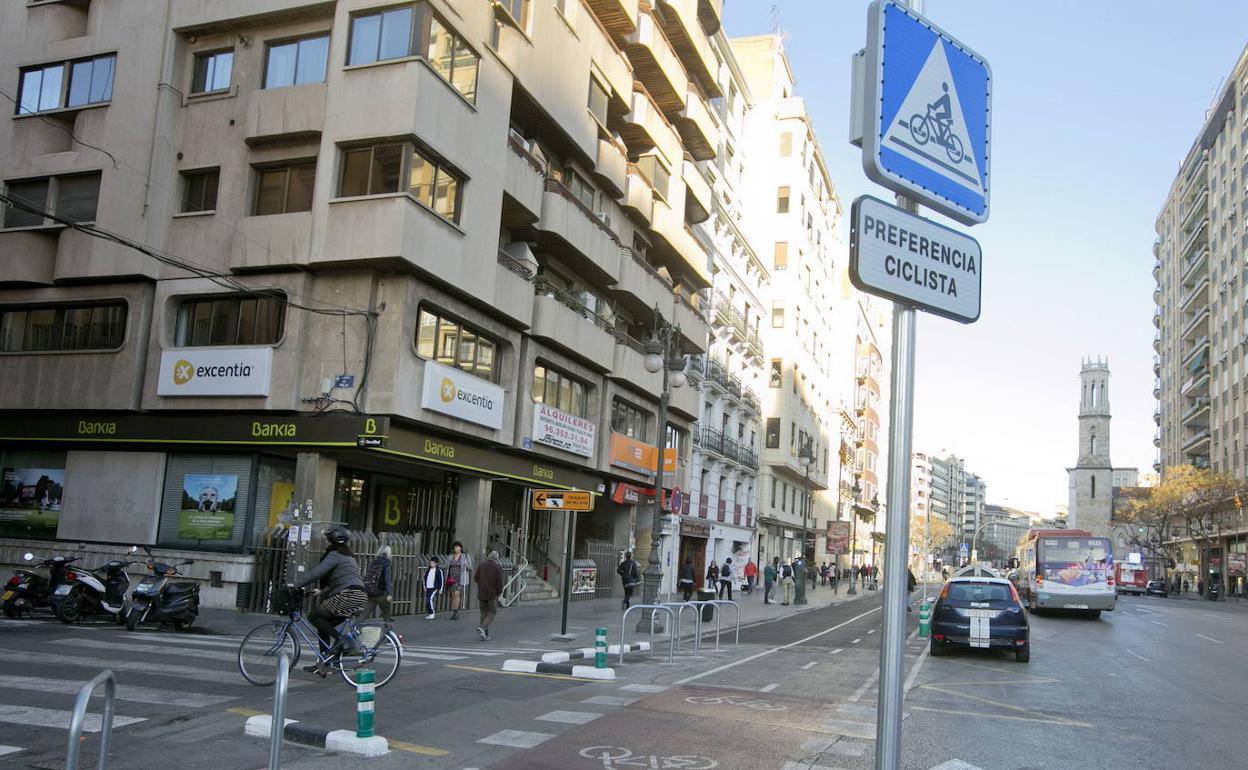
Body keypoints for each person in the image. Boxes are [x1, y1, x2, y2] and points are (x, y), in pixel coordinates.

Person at [291, 525, 367, 675]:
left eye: (327, 540)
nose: (325, 543)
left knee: (314, 616)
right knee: (323, 625)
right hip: (359, 595)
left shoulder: (334, 555)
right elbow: (342, 579)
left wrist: (295, 585)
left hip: (348, 595)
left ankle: (342, 640)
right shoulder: (349, 557)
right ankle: (325, 663)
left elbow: (316, 573)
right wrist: (322, 591)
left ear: (331, 541)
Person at [473, 549, 503, 641]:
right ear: (496, 558)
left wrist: (481, 584)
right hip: (492, 593)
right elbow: (499, 582)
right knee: (493, 612)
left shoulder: (481, 565)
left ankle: (484, 634)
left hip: (482, 592)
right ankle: (482, 627)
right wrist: (499, 592)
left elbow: (476, 578)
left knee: (483, 613)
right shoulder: (497, 567)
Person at [362, 544, 394, 622]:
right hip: (380, 593)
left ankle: (354, 628)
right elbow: (387, 579)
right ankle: (388, 629)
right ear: (388, 553)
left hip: (370, 591)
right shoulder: (387, 563)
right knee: (386, 613)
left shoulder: (374, 562)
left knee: (365, 614)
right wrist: (389, 593)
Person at [445, 541, 473, 621]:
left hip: (460, 578)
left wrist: (465, 564)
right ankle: (454, 611)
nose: (456, 548)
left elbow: (470, 567)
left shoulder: (465, 556)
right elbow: (447, 566)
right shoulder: (451, 556)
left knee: (457, 594)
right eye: (455, 547)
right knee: (453, 595)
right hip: (451, 578)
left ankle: (456, 611)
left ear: (461, 548)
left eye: (458, 547)